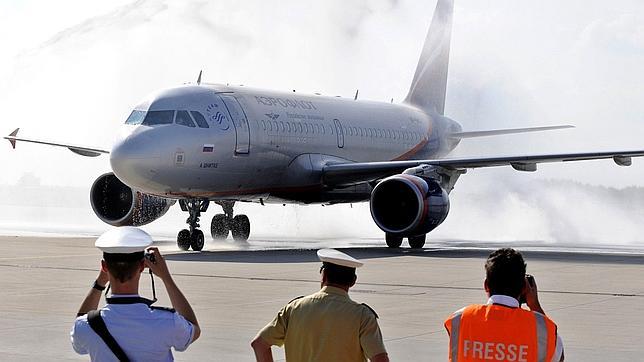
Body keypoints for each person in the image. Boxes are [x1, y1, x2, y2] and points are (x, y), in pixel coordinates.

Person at [70, 226, 200, 361]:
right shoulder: (167, 322)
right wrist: (166, 278)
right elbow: (193, 329)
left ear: (104, 267)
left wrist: (99, 284)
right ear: (143, 265)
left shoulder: (86, 326)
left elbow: (77, 333)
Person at [251, 248, 389, 362]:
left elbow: (259, 344)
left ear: (323, 276)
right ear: (353, 281)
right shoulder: (362, 316)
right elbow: (379, 359)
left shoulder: (294, 308)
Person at [445, 248, 564, 362]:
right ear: (524, 288)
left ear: (486, 285)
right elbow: (558, 356)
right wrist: (535, 306)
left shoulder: (460, 319)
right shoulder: (542, 328)